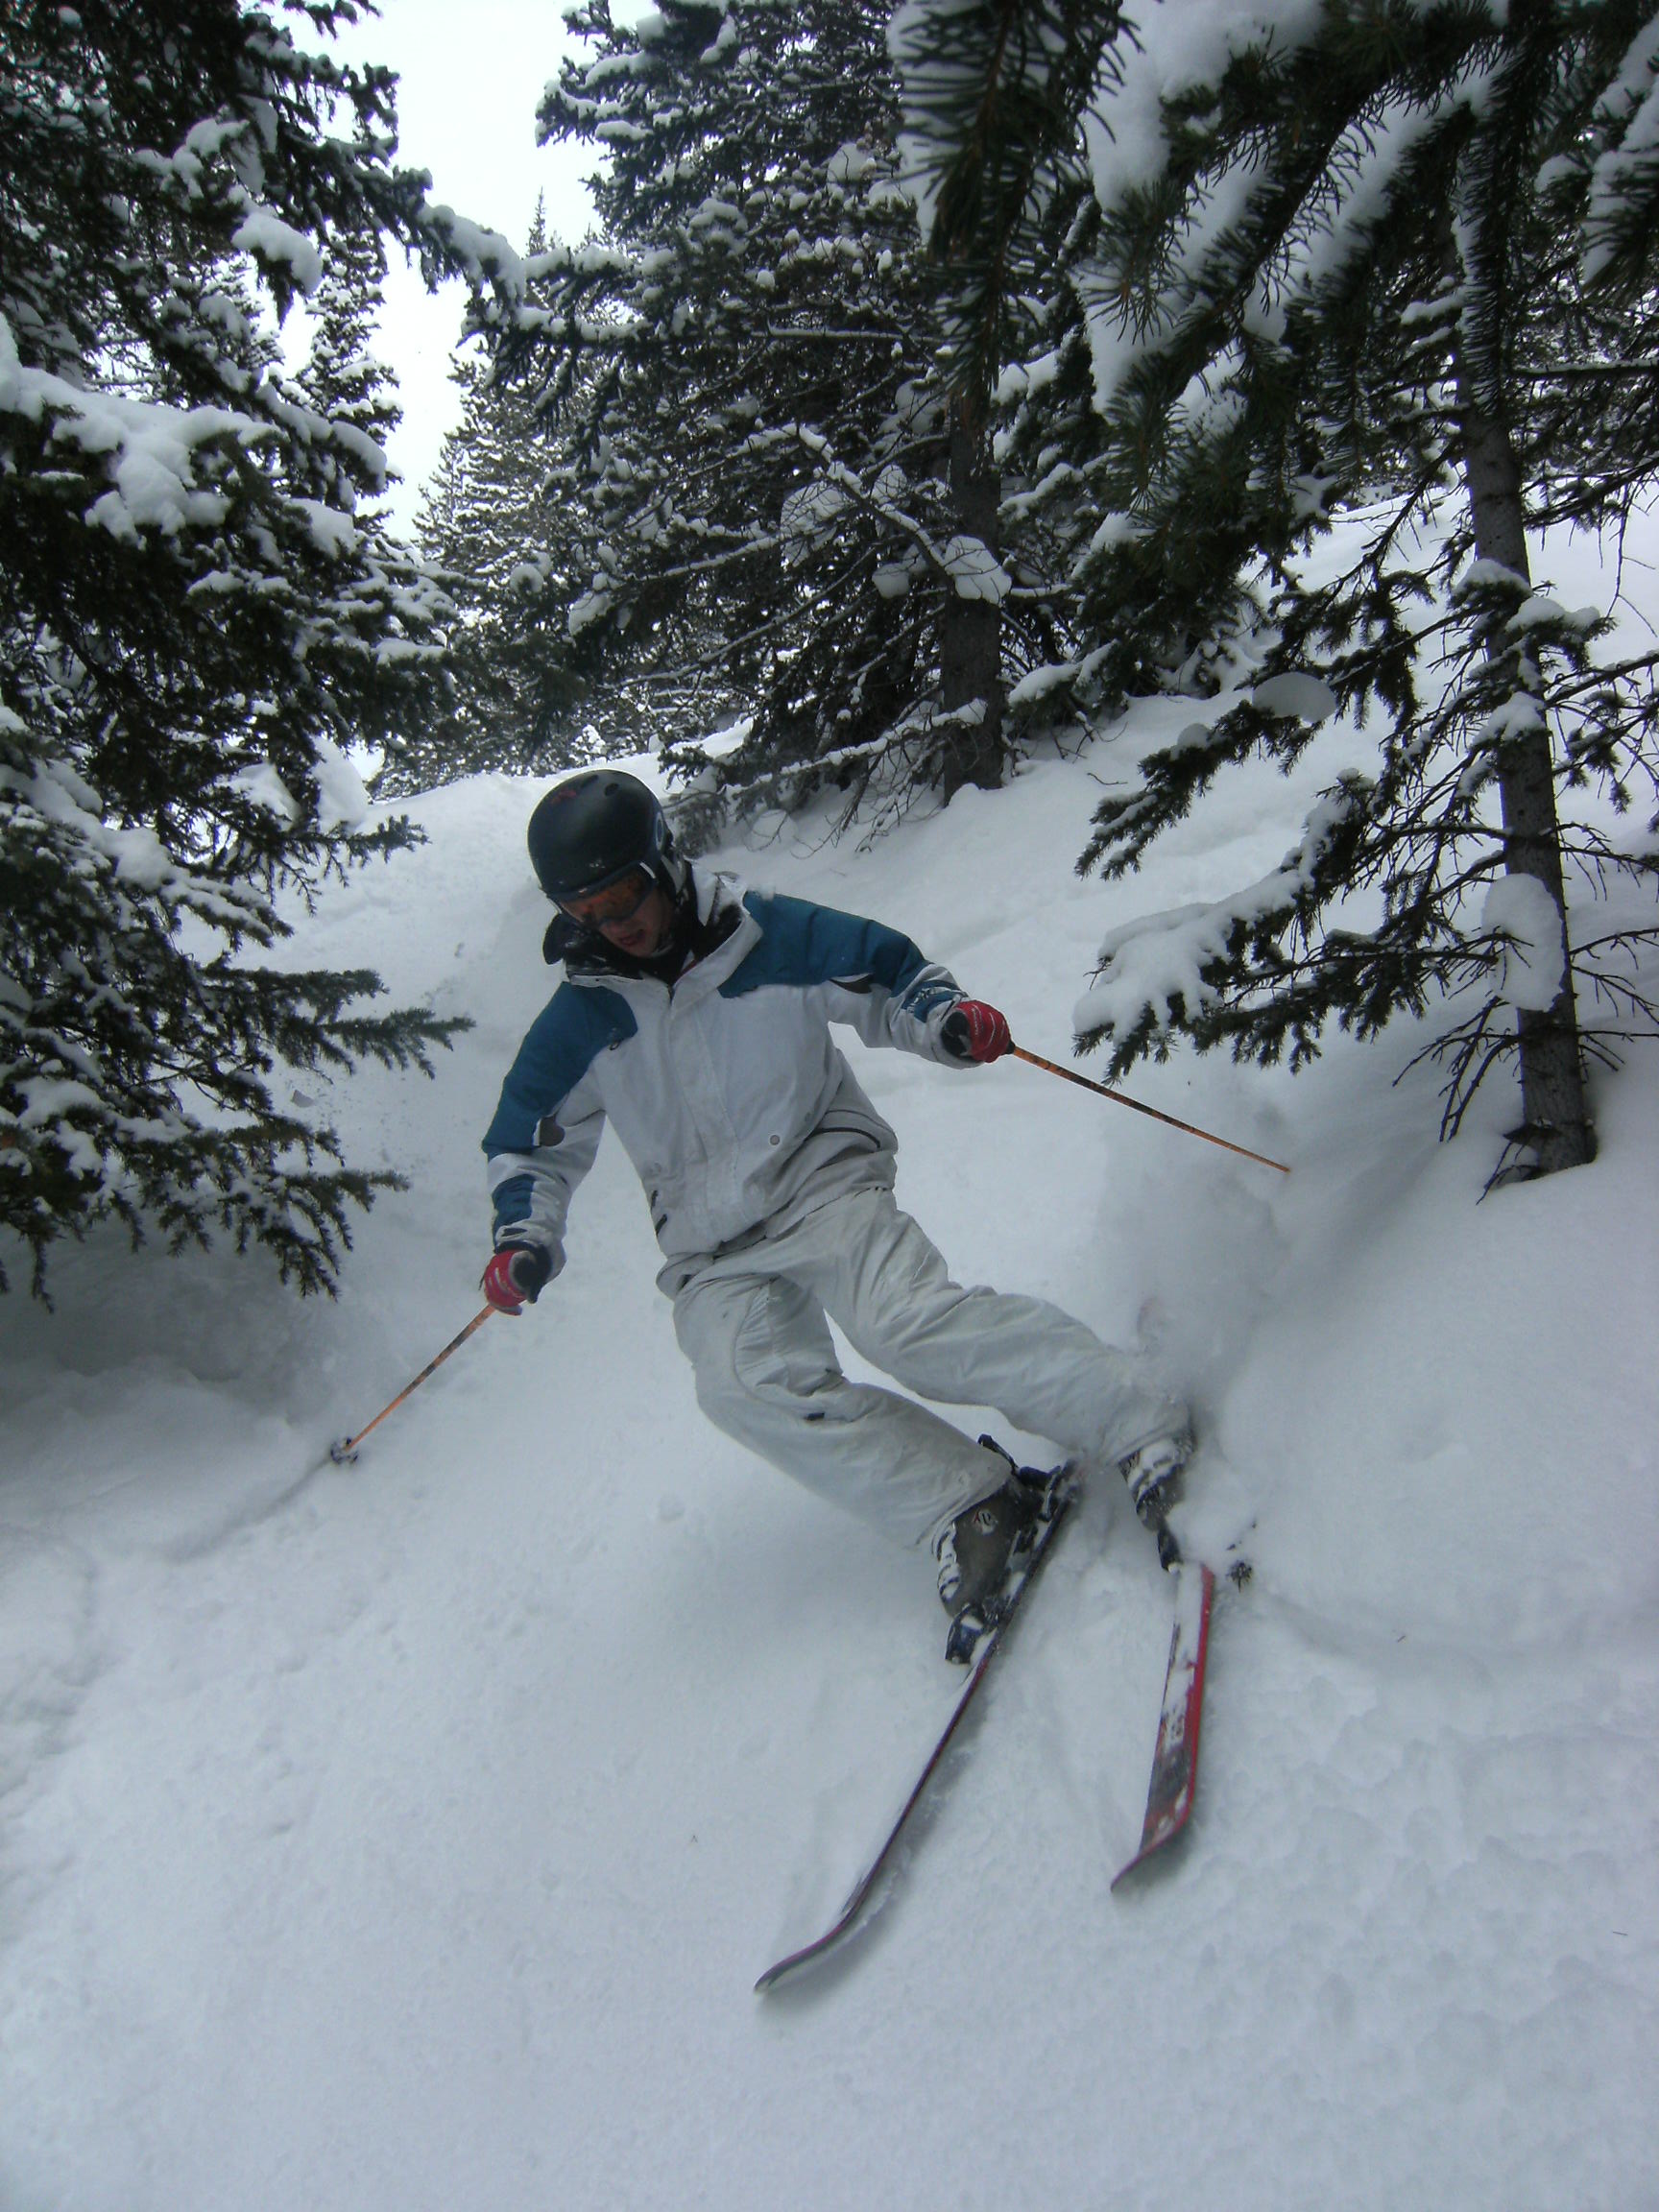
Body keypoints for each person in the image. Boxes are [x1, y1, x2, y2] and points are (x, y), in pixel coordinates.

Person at [480, 769, 1190, 1660]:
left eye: (623, 893)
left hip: (820, 1178)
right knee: (745, 1388)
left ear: (662, 862)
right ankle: (972, 1502)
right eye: (586, 909)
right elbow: (530, 1143)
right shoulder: (580, 1018)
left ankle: (1139, 1418)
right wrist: (524, 1236)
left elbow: (889, 975)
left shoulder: (766, 935)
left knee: (907, 1325)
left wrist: (944, 1020)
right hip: (711, 1249)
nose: (613, 921)